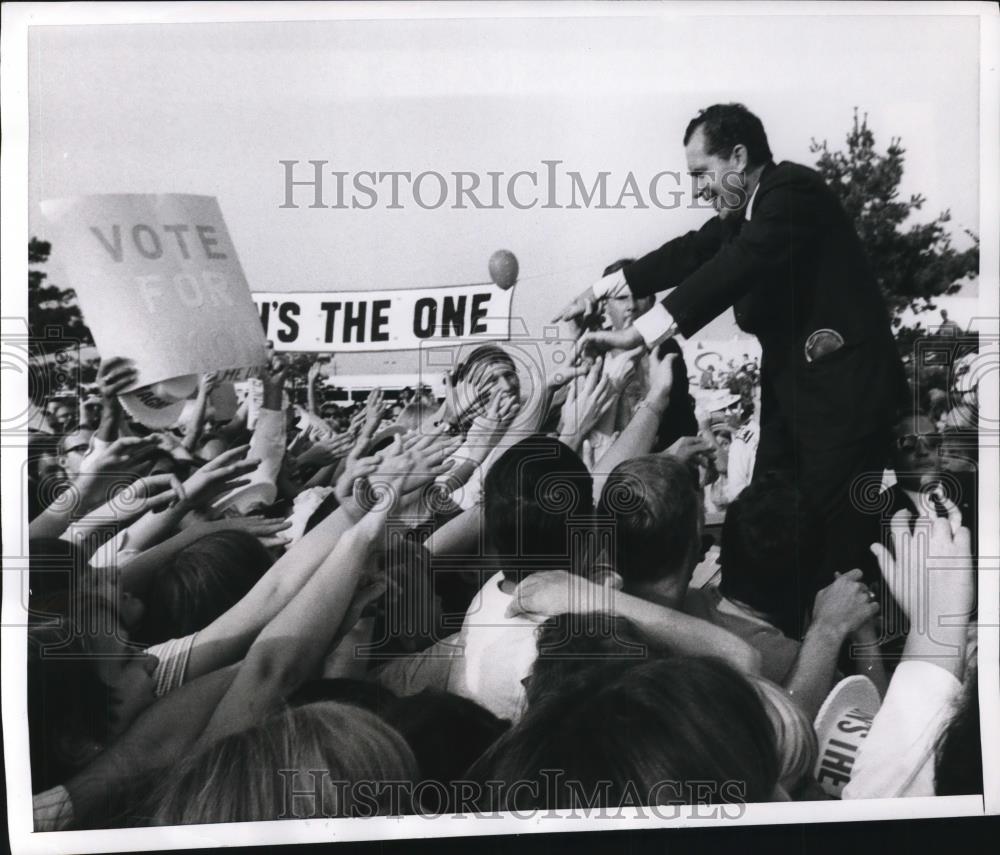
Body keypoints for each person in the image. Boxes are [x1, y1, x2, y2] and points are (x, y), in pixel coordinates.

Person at [554, 102, 908, 591]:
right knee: (768, 513)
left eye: (701, 173)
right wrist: (597, 291)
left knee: (832, 532)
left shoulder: (792, 191)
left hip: (843, 402)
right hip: (796, 394)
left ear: (738, 157)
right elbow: (691, 252)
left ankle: (854, 646)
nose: (697, 190)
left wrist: (641, 331)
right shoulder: (745, 215)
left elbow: (737, 265)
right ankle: (780, 631)